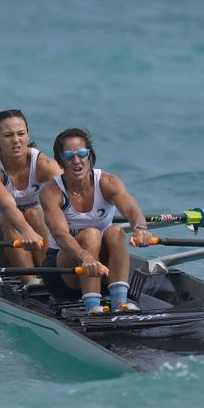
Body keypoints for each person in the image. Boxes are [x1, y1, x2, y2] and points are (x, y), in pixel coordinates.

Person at [40, 127, 154, 313]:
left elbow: (131, 209)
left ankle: (119, 304)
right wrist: (85, 257)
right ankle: (93, 307)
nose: (76, 160)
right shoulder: (51, 192)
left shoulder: (108, 182)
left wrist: (140, 228)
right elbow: (60, 234)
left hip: (100, 271)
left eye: (82, 153)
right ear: (61, 160)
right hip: (63, 273)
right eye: (69, 156)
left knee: (116, 231)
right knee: (91, 235)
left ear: (89, 155)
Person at [0, 109, 62, 287]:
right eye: (8, 135)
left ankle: (48, 275)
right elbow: (8, 207)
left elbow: (71, 194)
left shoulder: (44, 164)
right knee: (9, 219)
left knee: (34, 213)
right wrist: (27, 232)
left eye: (21, 134)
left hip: (37, 236)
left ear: (28, 134)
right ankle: (31, 283)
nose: (16, 140)